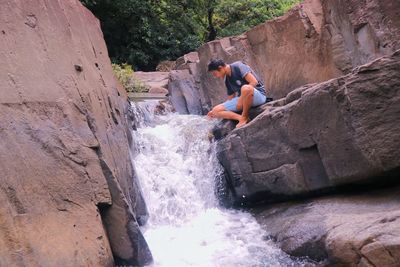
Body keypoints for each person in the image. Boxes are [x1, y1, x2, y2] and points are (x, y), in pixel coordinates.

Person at [206, 59, 267, 128]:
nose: (215, 76)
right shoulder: (226, 79)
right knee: (215, 110)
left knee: (245, 88)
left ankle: (245, 116)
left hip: (258, 96)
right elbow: (230, 98)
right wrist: (214, 112)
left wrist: (241, 99)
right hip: (244, 99)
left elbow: (254, 82)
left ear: (220, 68)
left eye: (215, 73)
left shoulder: (238, 66)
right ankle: (240, 118)